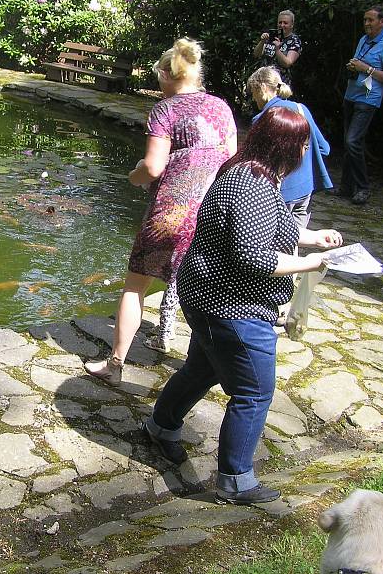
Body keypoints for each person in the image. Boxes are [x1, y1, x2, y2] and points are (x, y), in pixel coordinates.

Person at [143, 107, 344, 505]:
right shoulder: (252, 183)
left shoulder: (255, 174)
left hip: (208, 296)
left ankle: (161, 427)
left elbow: (272, 229)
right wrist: (311, 263)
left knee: (201, 369)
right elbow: (252, 255)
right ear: (287, 147)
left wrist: (313, 238)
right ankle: (235, 479)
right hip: (231, 306)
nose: (307, 150)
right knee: (253, 391)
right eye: (303, 144)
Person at [84, 37, 237, 383]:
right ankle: (204, 367)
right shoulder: (221, 108)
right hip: (214, 210)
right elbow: (231, 159)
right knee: (204, 290)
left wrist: (134, 174)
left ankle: (114, 366)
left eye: (159, 77)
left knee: (135, 286)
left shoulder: (165, 110)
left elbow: (152, 168)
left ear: (168, 75)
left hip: (171, 215)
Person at [248, 66, 331, 228]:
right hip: (305, 190)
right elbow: (324, 148)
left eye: (253, 91)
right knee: (296, 240)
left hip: (280, 196)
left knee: (278, 246)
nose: (253, 97)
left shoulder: (262, 119)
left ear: (263, 88)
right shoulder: (301, 109)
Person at [339, 5, 383, 205]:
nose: (366, 24)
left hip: (368, 99)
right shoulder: (364, 40)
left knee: (352, 141)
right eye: (365, 20)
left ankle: (363, 188)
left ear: (382, 22)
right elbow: (359, 64)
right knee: (349, 143)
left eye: (370, 20)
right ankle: (346, 187)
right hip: (351, 94)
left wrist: (367, 69)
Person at [253, 10, 302, 87]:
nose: (282, 25)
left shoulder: (294, 40)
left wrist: (277, 49)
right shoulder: (272, 36)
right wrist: (262, 42)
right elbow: (256, 54)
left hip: (281, 84)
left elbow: (287, 63)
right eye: (280, 22)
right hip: (264, 82)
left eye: (285, 23)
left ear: (291, 25)